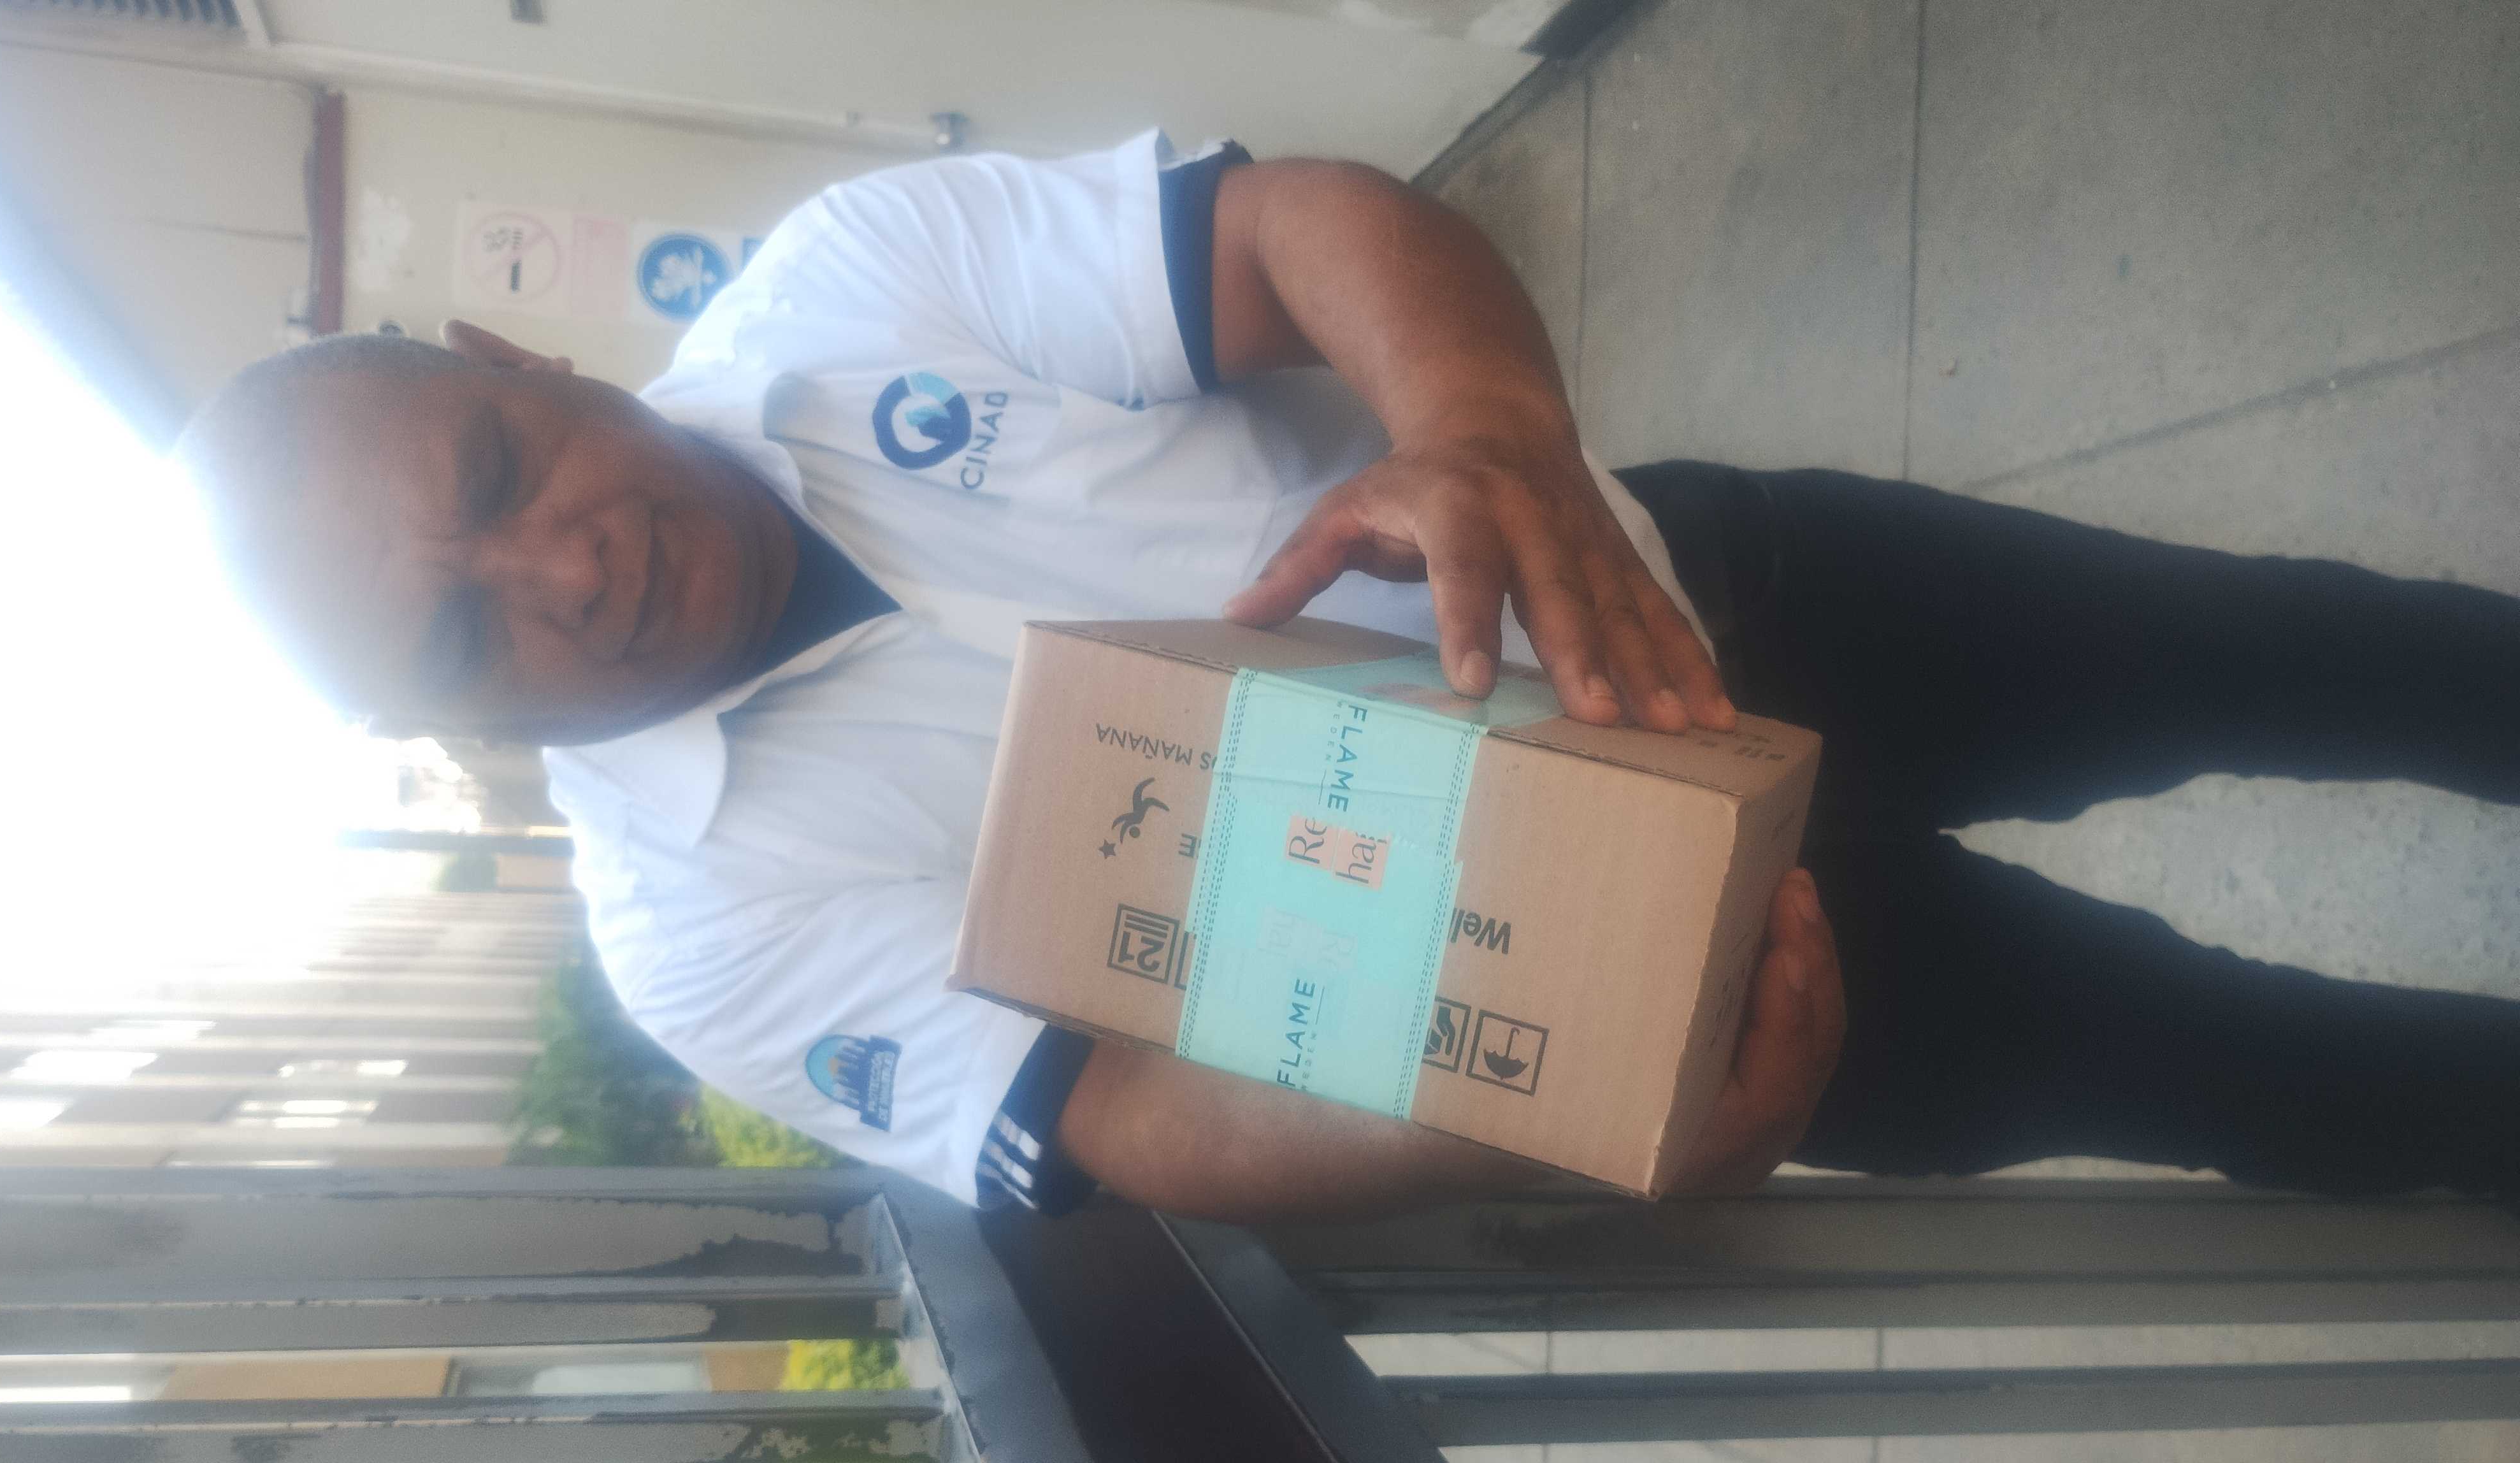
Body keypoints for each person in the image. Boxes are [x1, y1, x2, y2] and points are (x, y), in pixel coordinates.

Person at [180, 135, 2520, 1223]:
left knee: (2320, 653)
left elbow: (1296, 230)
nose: (564, 565)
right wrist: (1565, 1123)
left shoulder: (848, 286)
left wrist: (1479, 429)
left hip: (1707, 590)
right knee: (2258, 1075)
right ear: (440, 734)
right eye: (466, 628)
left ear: (508, 357)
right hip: (1659, 981)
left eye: (498, 468)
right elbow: (1123, 1120)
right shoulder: (702, 928)